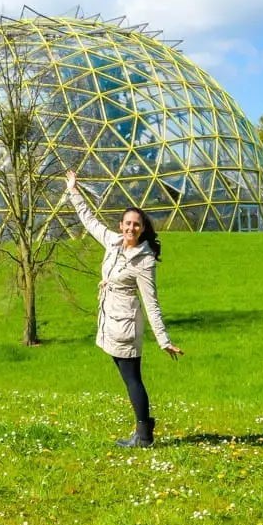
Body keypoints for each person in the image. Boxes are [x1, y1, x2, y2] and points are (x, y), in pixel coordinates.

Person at [65, 170, 184, 448]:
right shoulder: (113, 242)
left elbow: (151, 303)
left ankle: (144, 434)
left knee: (132, 380)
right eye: (127, 223)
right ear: (121, 225)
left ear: (142, 229)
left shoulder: (144, 261)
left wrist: (164, 340)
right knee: (129, 378)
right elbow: (89, 220)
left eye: (136, 225)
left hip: (126, 326)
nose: (131, 228)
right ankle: (144, 426)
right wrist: (73, 190)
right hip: (110, 321)